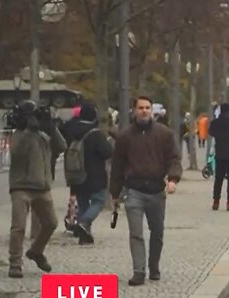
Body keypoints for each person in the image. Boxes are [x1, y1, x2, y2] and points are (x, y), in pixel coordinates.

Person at [109, 96, 182, 285]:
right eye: (140, 108)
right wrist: (115, 193)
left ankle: (154, 266)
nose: (144, 111)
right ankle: (138, 271)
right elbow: (117, 166)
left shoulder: (164, 134)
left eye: (147, 107)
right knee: (136, 233)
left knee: (157, 232)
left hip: (157, 190)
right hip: (134, 190)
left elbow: (174, 158)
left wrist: (173, 179)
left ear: (152, 110)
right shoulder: (125, 136)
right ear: (134, 110)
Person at [7, 101, 66, 278]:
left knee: (51, 223)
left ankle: (36, 251)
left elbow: (62, 147)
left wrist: (52, 127)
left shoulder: (43, 135)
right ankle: (15, 263)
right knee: (18, 227)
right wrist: (28, 131)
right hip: (21, 187)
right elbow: (17, 152)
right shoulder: (18, 135)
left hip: (42, 187)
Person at [62, 103, 113, 245]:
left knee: (83, 203)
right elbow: (107, 152)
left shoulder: (70, 130)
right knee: (98, 201)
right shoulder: (95, 133)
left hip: (76, 173)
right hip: (94, 174)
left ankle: (84, 235)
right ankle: (84, 223)